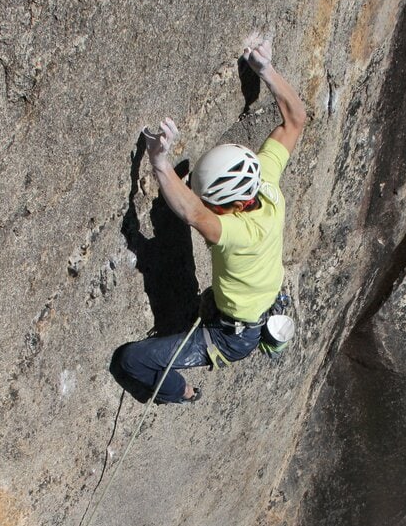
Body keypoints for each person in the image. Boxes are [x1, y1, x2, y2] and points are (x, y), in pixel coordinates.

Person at [117, 34, 306, 403]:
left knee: (133, 360)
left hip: (232, 336)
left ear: (231, 206)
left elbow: (191, 212)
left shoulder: (239, 234)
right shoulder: (265, 185)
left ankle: (184, 392)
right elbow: (295, 120)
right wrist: (264, 68)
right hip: (257, 309)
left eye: (213, 202)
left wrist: (159, 162)